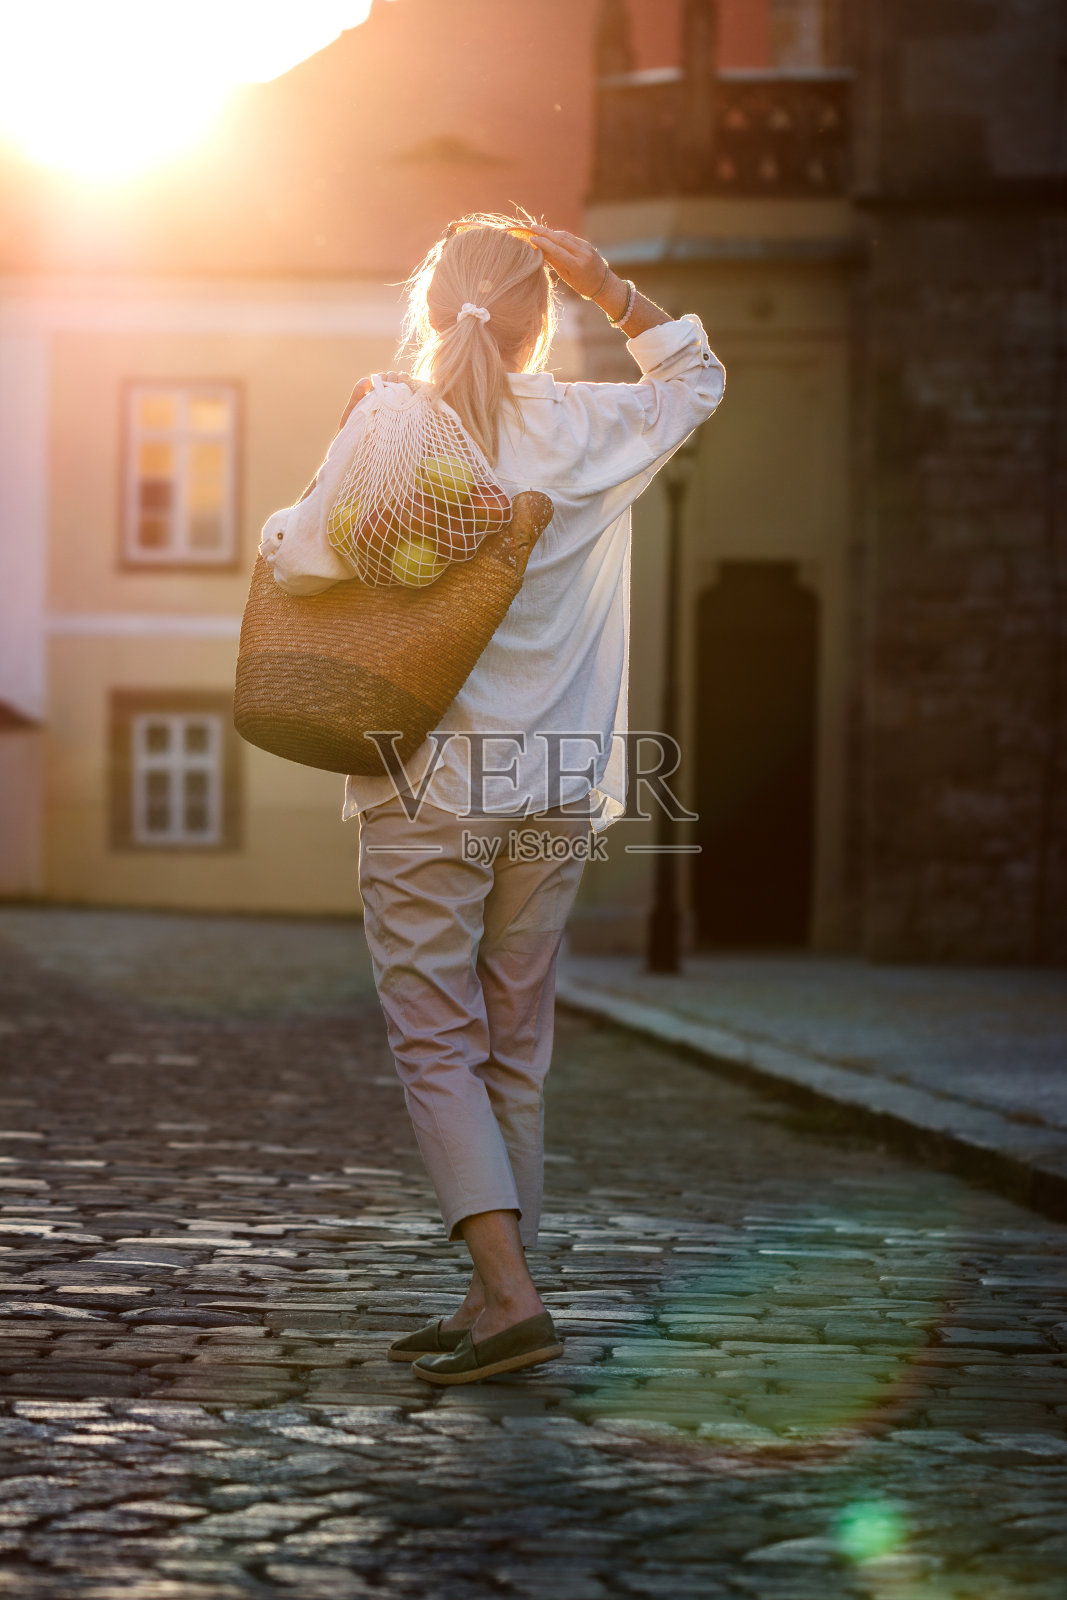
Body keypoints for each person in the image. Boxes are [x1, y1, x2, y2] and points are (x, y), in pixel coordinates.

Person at [266, 215, 725, 1385]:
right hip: (557, 785)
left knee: (434, 1038)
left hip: (430, 777)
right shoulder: (588, 424)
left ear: (431, 309)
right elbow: (695, 375)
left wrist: (307, 491)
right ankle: (488, 1299)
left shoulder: (396, 420)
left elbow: (305, 558)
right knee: (513, 1045)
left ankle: (511, 1297)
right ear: (543, 317)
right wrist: (611, 286)